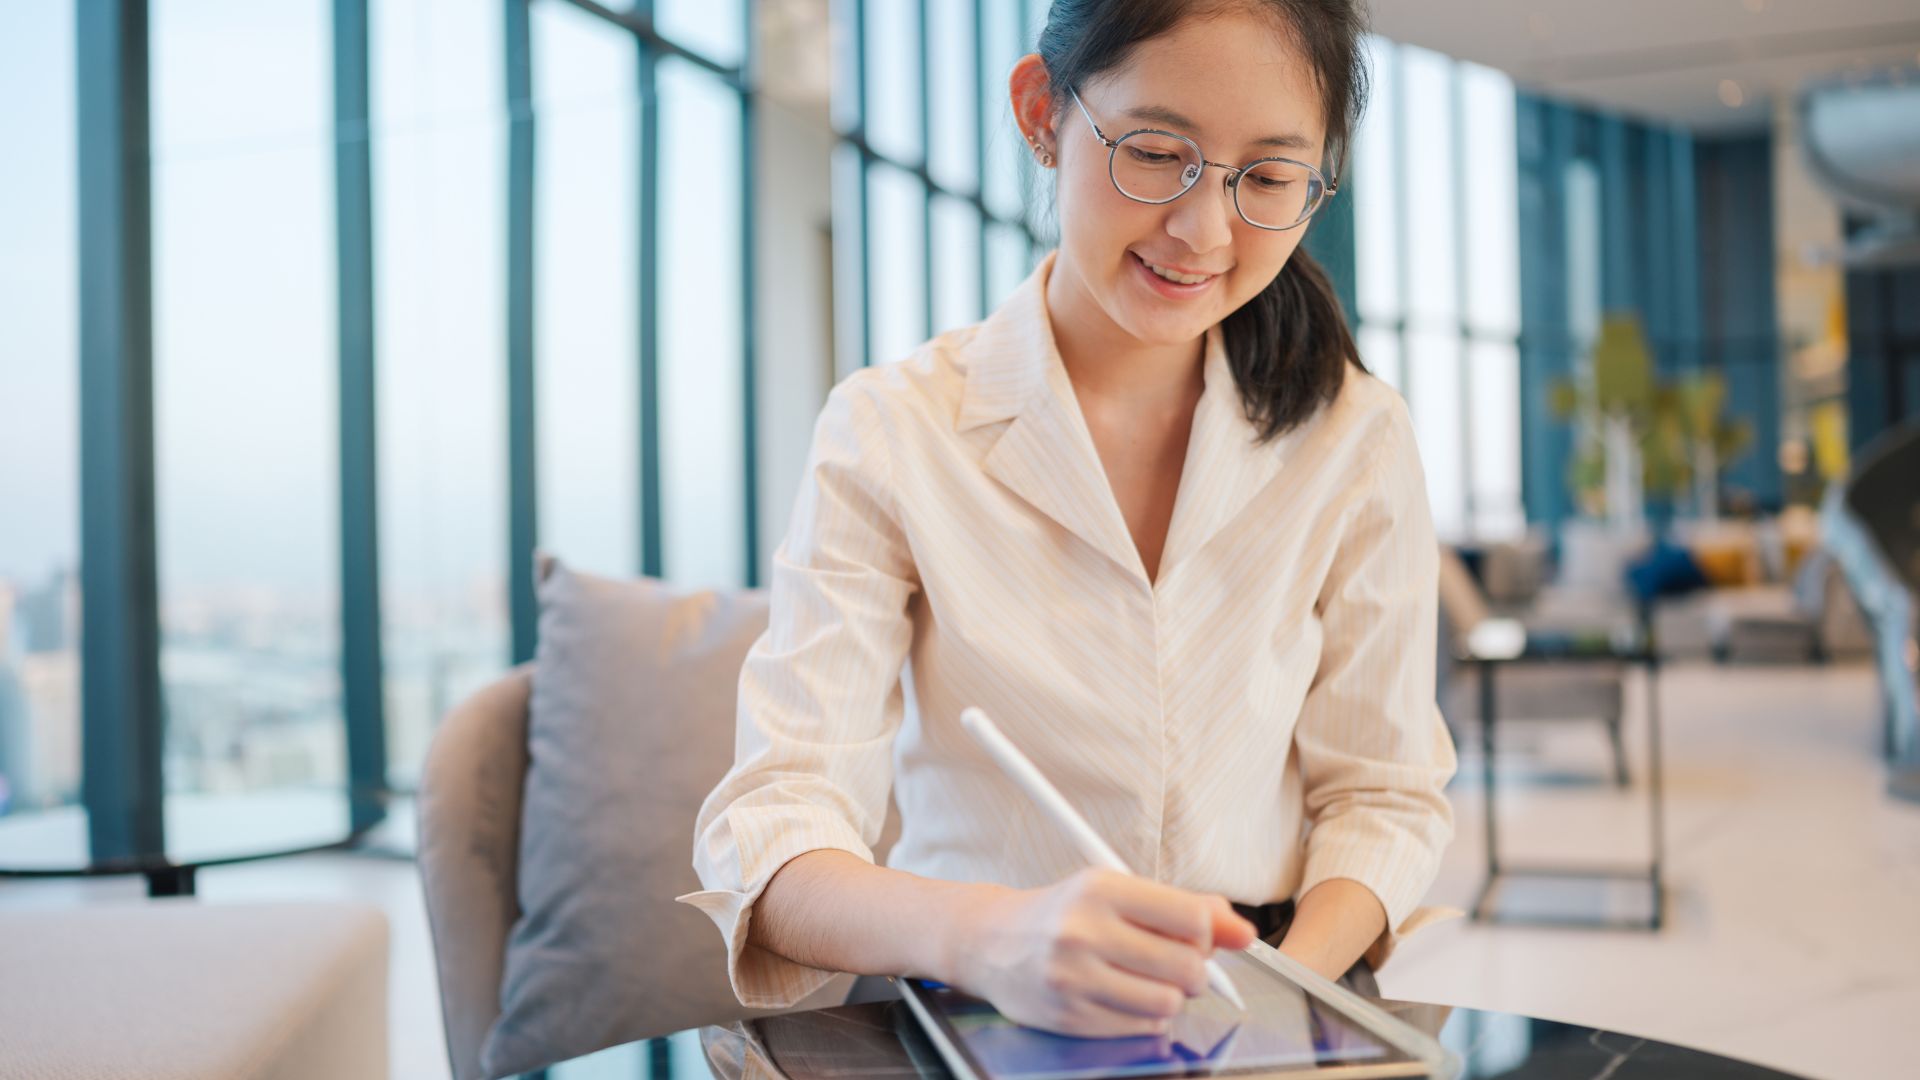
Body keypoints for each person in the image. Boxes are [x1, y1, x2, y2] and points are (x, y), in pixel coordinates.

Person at [682, 0, 1456, 1040]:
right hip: (981, 991)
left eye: (1267, 178)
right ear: (1042, 113)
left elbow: (1385, 797)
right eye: (1154, 151)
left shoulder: (1355, 436)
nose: (1204, 230)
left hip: (1279, 993)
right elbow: (771, 830)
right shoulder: (895, 429)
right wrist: (990, 939)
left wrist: (1274, 992)